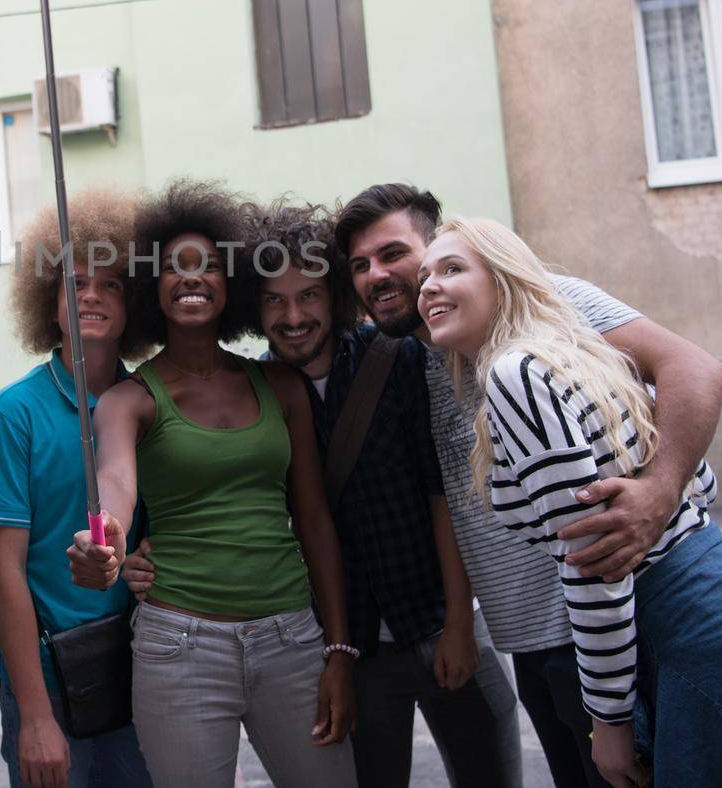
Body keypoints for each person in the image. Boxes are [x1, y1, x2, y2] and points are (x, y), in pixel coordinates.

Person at [418, 216, 722, 788]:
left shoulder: (514, 375)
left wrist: (610, 723)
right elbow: (703, 483)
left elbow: (596, 570)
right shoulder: (572, 351)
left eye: (452, 268)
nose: (428, 286)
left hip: (708, 643)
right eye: (425, 275)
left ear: (504, 279)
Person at [333, 183, 722, 788]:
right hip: (531, 642)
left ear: (439, 244)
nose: (376, 276)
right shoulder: (421, 355)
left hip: (602, 629)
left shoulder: (544, 303)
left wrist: (661, 488)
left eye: (393, 254)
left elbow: (695, 368)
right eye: (360, 266)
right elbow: (452, 502)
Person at [125, 198, 521, 788]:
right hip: (356, 646)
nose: (293, 317)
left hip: (437, 620)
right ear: (251, 308)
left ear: (333, 296)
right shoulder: (257, 389)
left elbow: (443, 494)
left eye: (307, 296)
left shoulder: (397, 358)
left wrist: (460, 624)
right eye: (274, 301)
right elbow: (223, 493)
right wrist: (143, 552)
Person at [69, 179, 357, 788]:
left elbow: (313, 521)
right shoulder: (129, 400)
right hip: (181, 648)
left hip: (293, 640)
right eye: (174, 267)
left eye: (208, 266)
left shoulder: (281, 387)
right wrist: (108, 543)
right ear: (154, 288)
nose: (191, 277)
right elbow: (114, 480)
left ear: (234, 286)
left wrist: (338, 649)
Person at [0, 191, 154, 788]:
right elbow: (4, 572)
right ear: (48, 303)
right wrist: (35, 717)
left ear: (135, 306)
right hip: (51, 676)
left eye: (112, 284)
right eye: (75, 283)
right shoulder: (11, 414)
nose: (93, 296)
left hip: (153, 668)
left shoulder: (156, 404)